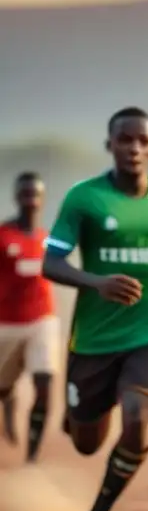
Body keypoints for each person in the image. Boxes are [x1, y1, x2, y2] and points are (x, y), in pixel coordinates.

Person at [42, 107, 148, 511]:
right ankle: (78, 414)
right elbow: (50, 262)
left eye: (142, 141)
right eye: (124, 140)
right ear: (109, 145)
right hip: (92, 338)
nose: (134, 148)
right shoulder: (83, 199)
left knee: (136, 417)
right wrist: (96, 283)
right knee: (88, 442)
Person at [0, 172, 59, 462]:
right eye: (25, 194)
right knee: (3, 385)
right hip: (6, 323)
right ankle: (8, 406)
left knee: (45, 385)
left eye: (35, 195)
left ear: (42, 200)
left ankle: (31, 458)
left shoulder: (49, 239)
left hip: (41, 320)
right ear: (16, 197)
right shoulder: (3, 235)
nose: (30, 201)